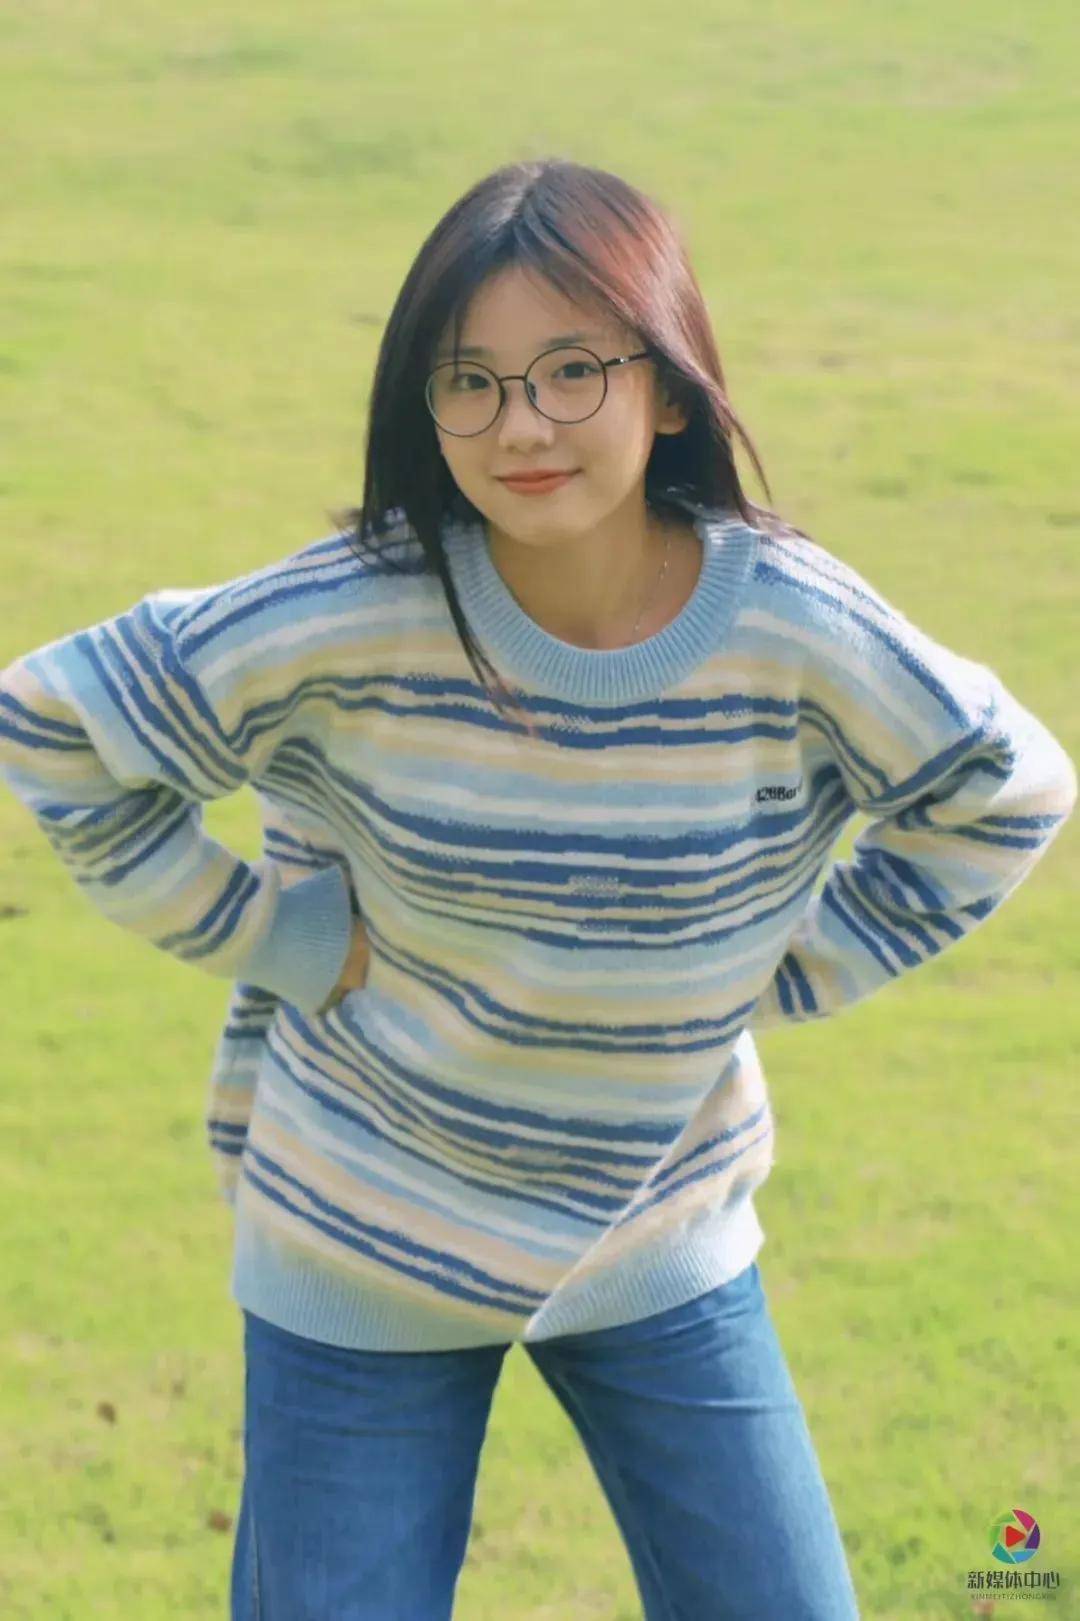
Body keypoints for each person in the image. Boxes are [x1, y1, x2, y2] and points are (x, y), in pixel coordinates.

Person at [0, 156, 1074, 1621]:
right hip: (366, 1225)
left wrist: (777, 968)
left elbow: (1006, 790)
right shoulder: (350, 611)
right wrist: (274, 936)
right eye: (471, 381)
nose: (520, 425)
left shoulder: (792, 627)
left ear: (671, 388)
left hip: (658, 1222)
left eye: (574, 371)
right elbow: (55, 725)